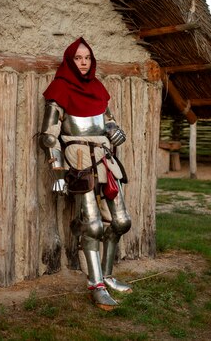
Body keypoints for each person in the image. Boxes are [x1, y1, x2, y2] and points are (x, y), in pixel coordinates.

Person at [38, 37, 132, 310]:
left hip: (105, 159)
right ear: (70, 60)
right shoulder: (59, 88)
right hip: (78, 160)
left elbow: (109, 120)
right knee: (92, 226)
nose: (83, 62)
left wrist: (114, 130)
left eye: (87, 58)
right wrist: (57, 174)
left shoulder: (99, 88)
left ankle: (108, 274)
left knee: (122, 222)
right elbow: (49, 137)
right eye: (78, 58)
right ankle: (96, 285)